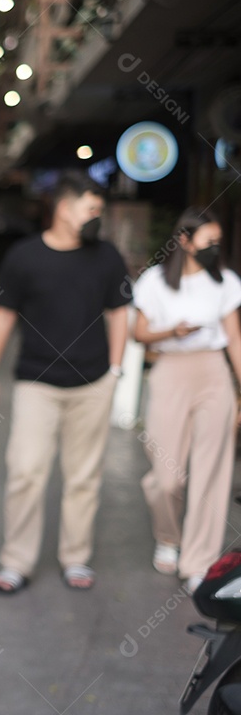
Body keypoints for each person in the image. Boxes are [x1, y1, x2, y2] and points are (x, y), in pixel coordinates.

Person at [0, 171, 130, 594]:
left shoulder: (108, 257)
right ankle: (16, 561)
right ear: (64, 208)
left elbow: (119, 313)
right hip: (36, 383)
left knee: (84, 476)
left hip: (93, 381)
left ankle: (75, 558)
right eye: (91, 209)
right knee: (26, 471)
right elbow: (3, 315)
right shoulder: (24, 256)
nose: (97, 217)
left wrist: (115, 371)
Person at [131, 208, 241, 594]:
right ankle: (169, 536)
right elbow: (139, 332)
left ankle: (199, 562)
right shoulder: (156, 281)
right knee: (166, 477)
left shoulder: (226, 282)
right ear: (184, 240)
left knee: (213, 471)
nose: (214, 248)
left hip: (214, 373)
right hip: (170, 371)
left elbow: (235, 340)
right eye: (207, 241)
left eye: (217, 242)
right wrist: (171, 331)